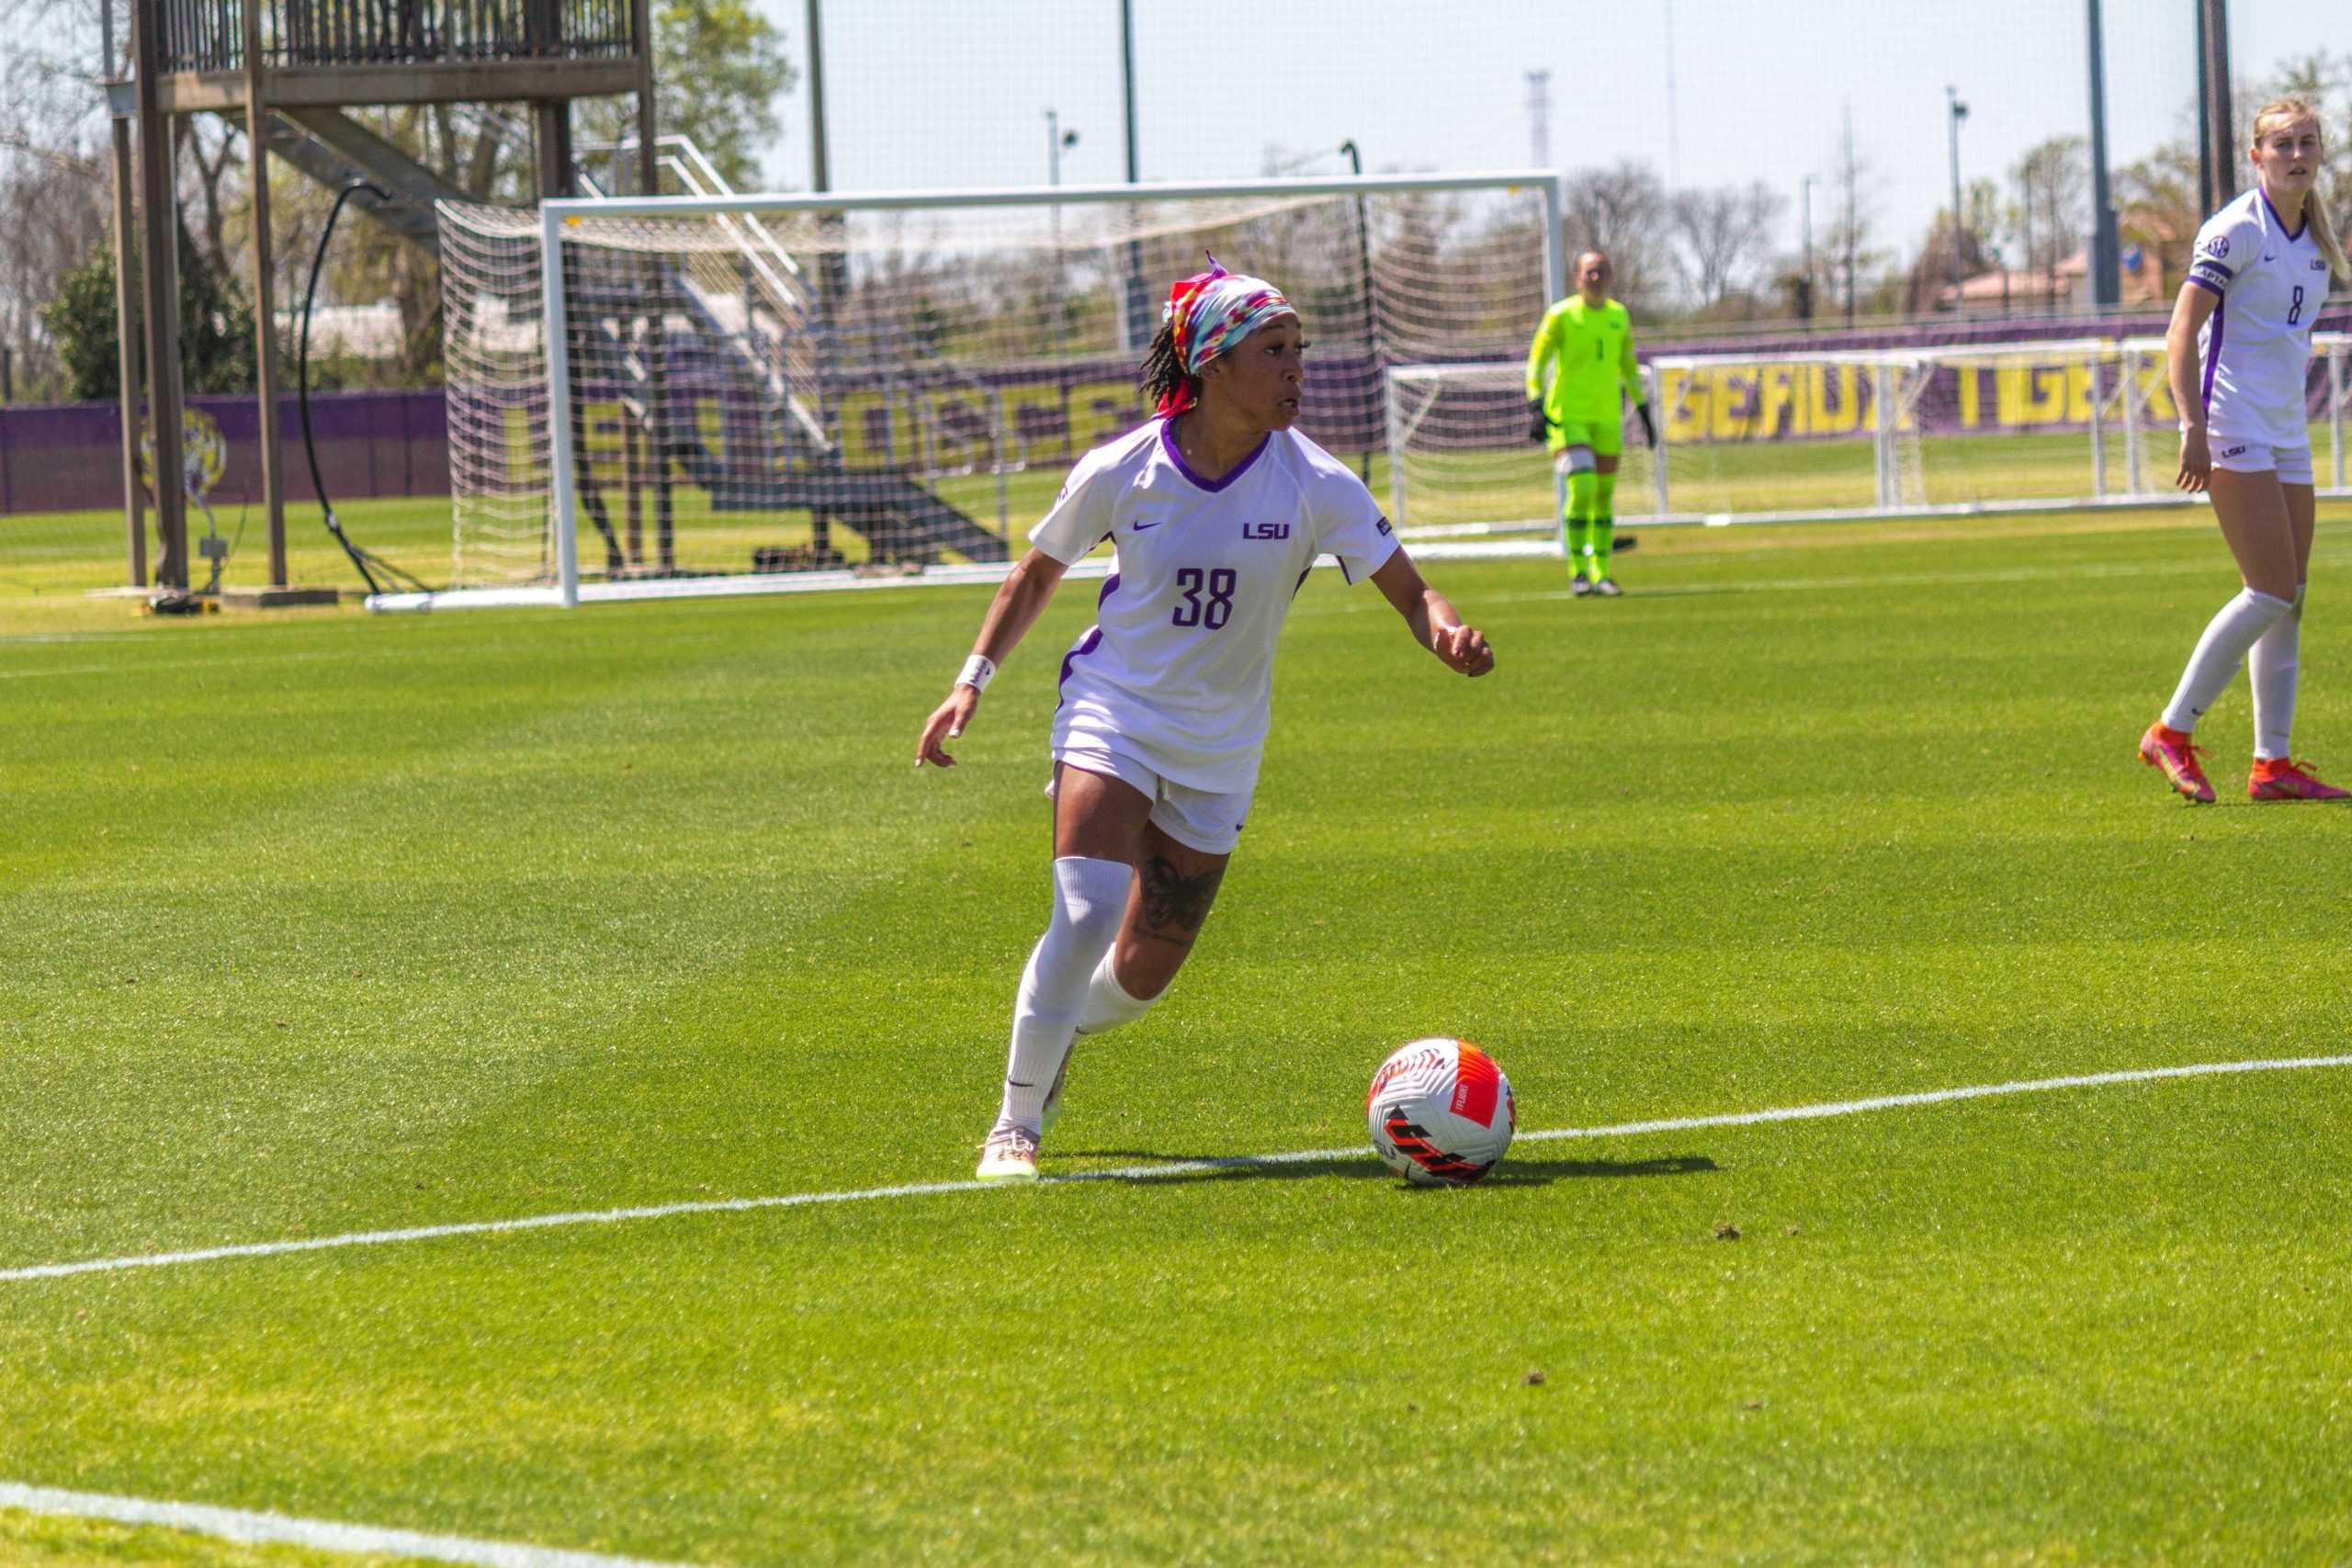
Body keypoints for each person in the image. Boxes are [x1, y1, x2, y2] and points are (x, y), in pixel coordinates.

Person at [916, 259, 1496, 1182]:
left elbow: (1410, 590)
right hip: (1115, 710)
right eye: (1275, 351)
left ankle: (1058, 1030)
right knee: (1085, 909)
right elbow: (1035, 571)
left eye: (1300, 349)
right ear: (1215, 362)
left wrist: (1448, 635)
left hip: (1220, 745)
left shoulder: (1318, 484)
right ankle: (1015, 1123)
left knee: (1140, 979)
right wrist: (971, 680)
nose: (1297, 368)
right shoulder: (1124, 468)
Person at [2140, 99, 2351, 803]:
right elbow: (2181, 330)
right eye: (2283, 144)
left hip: (2287, 427)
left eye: (2308, 143)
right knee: (2266, 589)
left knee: (2289, 597)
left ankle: (2273, 763)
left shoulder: (2318, 238)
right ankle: (2171, 731)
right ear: (2256, 156)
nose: (2297, 154)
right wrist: (2190, 425)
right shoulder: (2235, 230)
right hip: (2231, 423)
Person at [1525, 249, 1656, 597]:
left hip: (1607, 418)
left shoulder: (1619, 316)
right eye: (1589, 272)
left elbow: (1627, 365)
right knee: (1581, 489)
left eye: (1601, 271)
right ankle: (1578, 571)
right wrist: (1535, 403)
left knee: (1603, 495)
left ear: (1610, 276)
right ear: (1577, 278)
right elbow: (1536, 362)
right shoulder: (1561, 315)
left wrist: (1643, 409)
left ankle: (1602, 573)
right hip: (1568, 417)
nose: (1595, 278)